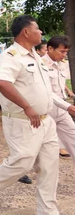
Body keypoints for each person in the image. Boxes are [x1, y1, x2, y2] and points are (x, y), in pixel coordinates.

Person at [0, 15, 59, 213]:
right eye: (38, 28)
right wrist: (27, 106)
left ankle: (48, 211)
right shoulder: (11, 56)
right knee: (23, 162)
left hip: (46, 122)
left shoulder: (35, 56)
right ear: (26, 32)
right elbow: (2, 82)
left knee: (49, 169)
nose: (41, 32)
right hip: (24, 121)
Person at [42, 35, 75, 163]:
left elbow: (61, 88)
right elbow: (47, 91)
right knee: (39, 147)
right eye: (62, 51)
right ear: (50, 48)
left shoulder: (60, 64)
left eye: (66, 52)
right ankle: (20, 170)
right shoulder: (41, 64)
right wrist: (68, 106)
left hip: (62, 110)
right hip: (46, 111)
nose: (64, 55)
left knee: (73, 137)